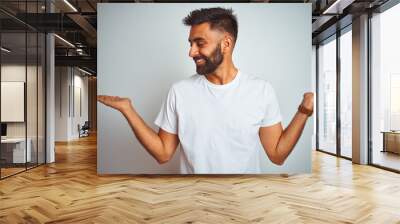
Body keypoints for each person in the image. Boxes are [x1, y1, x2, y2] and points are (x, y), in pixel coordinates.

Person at [97, 7, 314, 174]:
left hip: (244, 200)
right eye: (191, 43)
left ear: (226, 44)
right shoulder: (180, 92)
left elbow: (277, 155)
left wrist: (303, 113)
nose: (191, 52)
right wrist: (128, 110)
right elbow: (163, 154)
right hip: (194, 200)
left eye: (199, 43)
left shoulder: (260, 90)